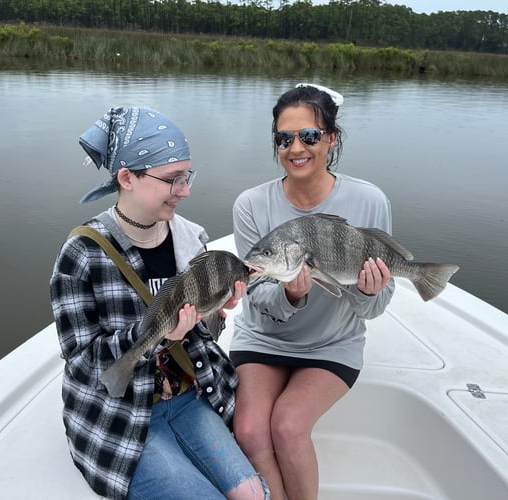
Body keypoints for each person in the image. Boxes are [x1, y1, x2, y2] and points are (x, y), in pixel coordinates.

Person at [50, 106, 268, 500]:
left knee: (253, 494)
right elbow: (82, 362)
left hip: (189, 393)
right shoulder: (81, 254)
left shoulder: (190, 239)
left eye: (187, 177)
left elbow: (202, 330)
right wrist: (153, 334)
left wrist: (218, 310)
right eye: (172, 180)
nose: (185, 190)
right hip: (120, 413)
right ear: (127, 178)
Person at [230, 84, 395, 500]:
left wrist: (367, 291)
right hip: (263, 338)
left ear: (331, 138)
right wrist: (289, 296)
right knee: (249, 430)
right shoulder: (250, 205)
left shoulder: (369, 200)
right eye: (284, 139)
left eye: (310, 136)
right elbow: (256, 291)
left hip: (331, 343)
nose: (295, 148)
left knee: (287, 425)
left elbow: (375, 307)